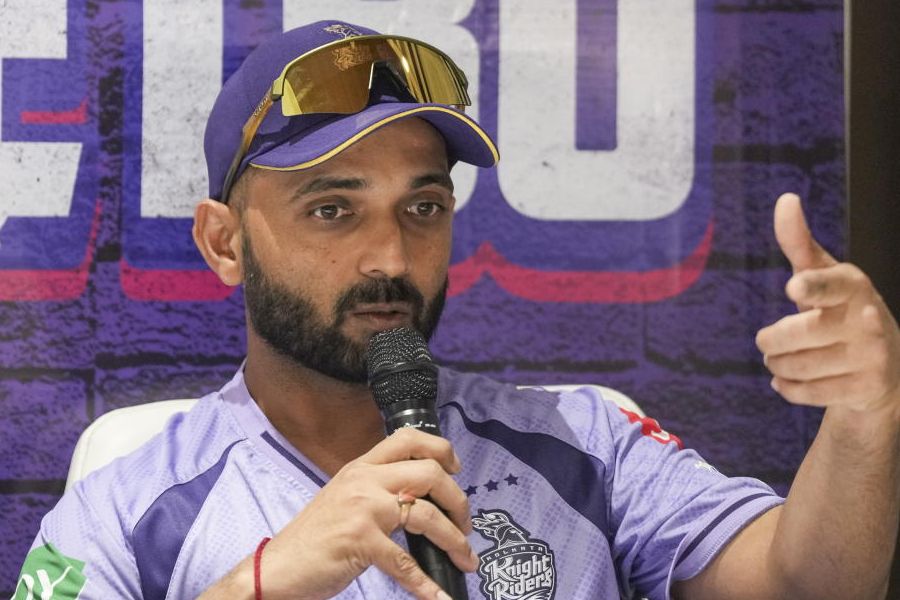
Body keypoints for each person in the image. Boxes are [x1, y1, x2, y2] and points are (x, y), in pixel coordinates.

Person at [14, 20, 899, 600]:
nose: (391, 257)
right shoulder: (124, 504)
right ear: (224, 242)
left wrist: (865, 420)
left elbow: (806, 586)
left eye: (423, 207)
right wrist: (263, 581)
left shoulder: (587, 444)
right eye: (333, 208)